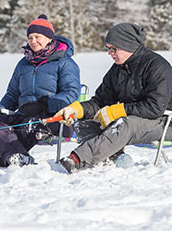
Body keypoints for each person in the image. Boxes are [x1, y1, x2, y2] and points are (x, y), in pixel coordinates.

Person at [55, 22, 172, 173]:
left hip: (162, 122)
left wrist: (118, 110)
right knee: (85, 121)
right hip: (132, 119)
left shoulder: (157, 66)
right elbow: (100, 101)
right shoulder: (118, 68)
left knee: (123, 124)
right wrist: (77, 109)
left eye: (113, 49)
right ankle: (110, 157)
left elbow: (155, 107)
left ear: (128, 45)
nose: (110, 53)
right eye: (108, 49)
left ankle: (78, 159)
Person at [0, 14, 81, 167]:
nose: (33, 41)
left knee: (30, 124)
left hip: (56, 119)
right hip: (25, 114)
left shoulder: (65, 63)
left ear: (49, 38)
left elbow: (71, 95)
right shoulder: (23, 64)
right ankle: (13, 156)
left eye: (37, 36)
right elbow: (12, 94)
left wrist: (44, 105)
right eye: (30, 38)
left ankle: (5, 156)